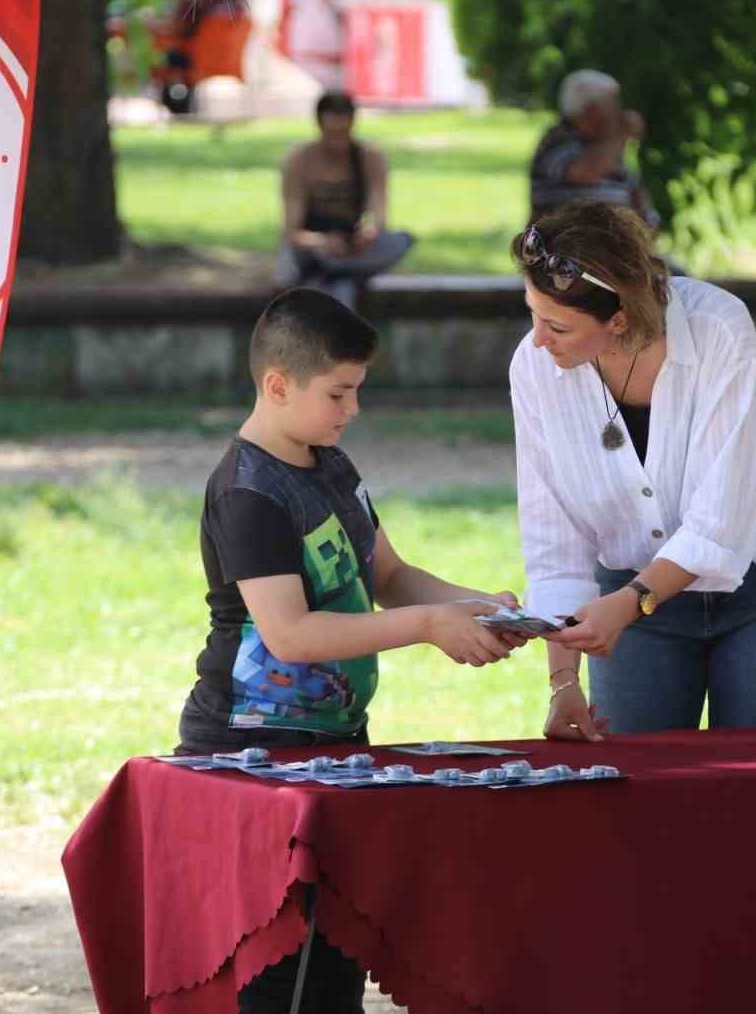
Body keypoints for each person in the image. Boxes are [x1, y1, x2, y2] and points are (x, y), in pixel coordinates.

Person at [176, 287, 525, 1013]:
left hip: (333, 745)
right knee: (281, 985)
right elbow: (291, 634)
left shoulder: (331, 463)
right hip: (252, 754)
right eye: (339, 393)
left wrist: (478, 606)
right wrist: (432, 627)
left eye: (356, 391)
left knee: (334, 977)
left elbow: (389, 577)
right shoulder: (248, 492)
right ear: (278, 385)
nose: (352, 410)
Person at [506, 200, 756, 741]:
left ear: (618, 319)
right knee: (636, 794)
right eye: (532, 314)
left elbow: (721, 521)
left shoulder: (718, 327)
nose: (537, 339)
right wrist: (562, 682)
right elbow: (555, 540)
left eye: (556, 325)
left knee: (749, 789)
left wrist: (628, 605)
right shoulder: (534, 367)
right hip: (629, 607)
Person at [278, 91, 414, 309]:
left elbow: (379, 213)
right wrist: (322, 242)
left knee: (399, 242)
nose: (337, 142)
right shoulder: (299, 161)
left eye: (343, 132)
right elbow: (292, 232)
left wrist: (369, 232)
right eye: (332, 133)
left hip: (351, 246)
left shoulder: (370, 159)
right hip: (312, 245)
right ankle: (332, 269)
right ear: (319, 125)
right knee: (305, 274)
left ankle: (332, 271)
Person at [529, 69, 660, 229]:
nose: (619, 112)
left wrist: (648, 220)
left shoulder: (605, 146)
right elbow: (586, 173)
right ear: (591, 109)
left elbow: (635, 193)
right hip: (566, 247)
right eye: (613, 103)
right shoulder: (557, 140)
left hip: (611, 246)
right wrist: (622, 135)